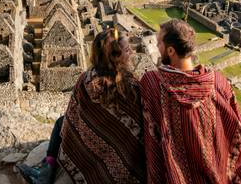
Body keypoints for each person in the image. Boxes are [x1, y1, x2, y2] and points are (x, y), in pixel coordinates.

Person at [140, 19, 241, 184]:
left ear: (171, 50)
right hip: (219, 175)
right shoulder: (218, 81)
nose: (157, 47)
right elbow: (238, 123)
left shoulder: (153, 83)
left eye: (159, 43)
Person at [18, 28, 146, 184]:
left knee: (61, 122)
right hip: (113, 146)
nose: (132, 52)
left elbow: (73, 113)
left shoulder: (86, 79)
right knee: (62, 122)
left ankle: (46, 172)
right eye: (127, 50)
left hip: (89, 140)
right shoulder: (131, 87)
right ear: (116, 56)